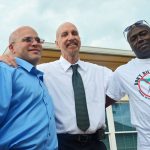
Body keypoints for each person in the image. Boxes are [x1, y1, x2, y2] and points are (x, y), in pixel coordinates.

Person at [0, 22, 112, 150]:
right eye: (64, 35)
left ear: (80, 39)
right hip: (63, 144)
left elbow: (122, 87)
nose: (71, 37)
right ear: (57, 43)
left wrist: (96, 106)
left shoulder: (101, 72)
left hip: (95, 143)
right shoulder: (41, 73)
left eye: (74, 33)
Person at [0, 26, 58, 149]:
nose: (35, 43)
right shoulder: (5, 71)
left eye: (38, 40)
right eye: (27, 40)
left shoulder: (39, 79)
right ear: (11, 48)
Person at [106, 20, 150, 150]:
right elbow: (103, 102)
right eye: (134, 38)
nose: (140, 39)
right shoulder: (123, 72)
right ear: (131, 46)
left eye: (143, 34)